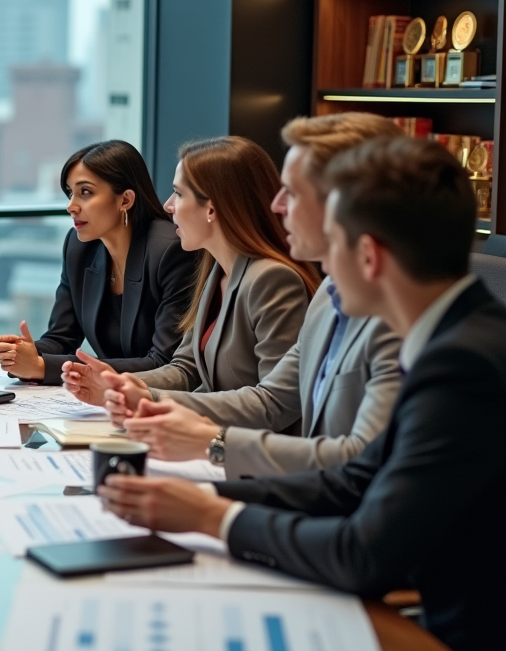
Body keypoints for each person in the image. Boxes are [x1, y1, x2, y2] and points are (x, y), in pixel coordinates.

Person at [100, 136, 506, 651]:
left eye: (332, 241)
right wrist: (213, 500)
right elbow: (358, 478)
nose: (319, 272)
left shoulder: (463, 363)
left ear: (368, 255)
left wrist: (210, 516)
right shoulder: (451, 337)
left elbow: (362, 553)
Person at [102, 114, 404, 477]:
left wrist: (206, 441)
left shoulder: (394, 317)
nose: (277, 205)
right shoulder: (328, 292)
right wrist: (144, 395)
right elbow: (270, 394)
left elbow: (298, 423)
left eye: (292, 192)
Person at [63, 136, 318, 405]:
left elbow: (276, 402)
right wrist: (120, 383)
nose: (168, 205)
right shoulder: (216, 271)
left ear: (211, 207)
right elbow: (186, 370)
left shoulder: (272, 279)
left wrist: (151, 400)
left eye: (179, 193)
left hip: (243, 444)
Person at [0, 140, 199, 384]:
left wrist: (42, 367)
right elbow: (61, 338)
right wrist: (25, 352)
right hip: (108, 398)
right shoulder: (79, 248)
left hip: (161, 400)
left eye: (85, 192)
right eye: (70, 193)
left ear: (125, 200)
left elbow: (162, 361)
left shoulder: (170, 251)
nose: (71, 206)